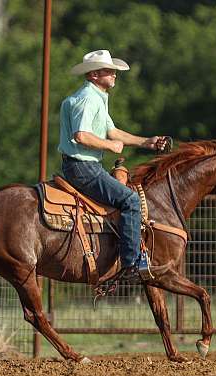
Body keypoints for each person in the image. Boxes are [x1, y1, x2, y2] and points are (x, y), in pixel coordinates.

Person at [58, 49, 166, 282]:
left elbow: (113, 131)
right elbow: (81, 135)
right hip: (83, 168)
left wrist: (146, 142)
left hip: (83, 166)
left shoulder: (96, 96)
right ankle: (131, 262)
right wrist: (109, 146)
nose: (115, 74)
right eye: (109, 70)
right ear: (95, 74)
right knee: (130, 200)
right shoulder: (88, 98)